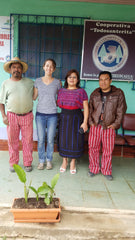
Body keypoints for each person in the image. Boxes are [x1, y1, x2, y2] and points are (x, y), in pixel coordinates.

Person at [88, 71, 127, 180]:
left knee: (108, 149)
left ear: (110, 80)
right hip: (95, 125)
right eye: (101, 79)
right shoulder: (95, 93)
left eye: (106, 79)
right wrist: (91, 123)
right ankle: (93, 168)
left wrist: (115, 125)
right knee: (93, 148)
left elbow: (121, 110)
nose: (103, 82)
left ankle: (106, 170)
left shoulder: (118, 93)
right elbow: (90, 109)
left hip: (109, 126)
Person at [0, 57, 34, 172]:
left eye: (19, 67)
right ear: (10, 70)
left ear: (22, 70)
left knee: (28, 140)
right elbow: (1, 102)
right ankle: (14, 163)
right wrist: (4, 116)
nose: (16, 69)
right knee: (12, 140)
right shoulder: (6, 83)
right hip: (11, 116)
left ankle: (27, 163)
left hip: (27, 115)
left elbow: (36, 94)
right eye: (14, 67)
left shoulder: (29, 82)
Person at [57, 69, 88, 174]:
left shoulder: (81, 91)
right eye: (70, 77)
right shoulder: (61, 91)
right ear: (66, 79)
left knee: (75, 140)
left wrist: (85, 122)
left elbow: (86, 108)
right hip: (64, 117)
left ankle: (73, 162)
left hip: (76, 118)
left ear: (78, 79)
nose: (72, 79)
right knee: (63, 139)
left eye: (74, 77)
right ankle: (64, 161)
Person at [33, 59, 61, 170]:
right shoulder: (37, 81)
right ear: (43, 67)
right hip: (40, 114)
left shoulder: (57, 82)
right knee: (40, 139)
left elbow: (60, 98)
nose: (49, 68)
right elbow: (34, 97)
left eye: (51, 66)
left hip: (53, 115)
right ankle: (41, 161)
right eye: (47, 65)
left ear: (54, 69)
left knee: (50, 139)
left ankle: (49, 160)